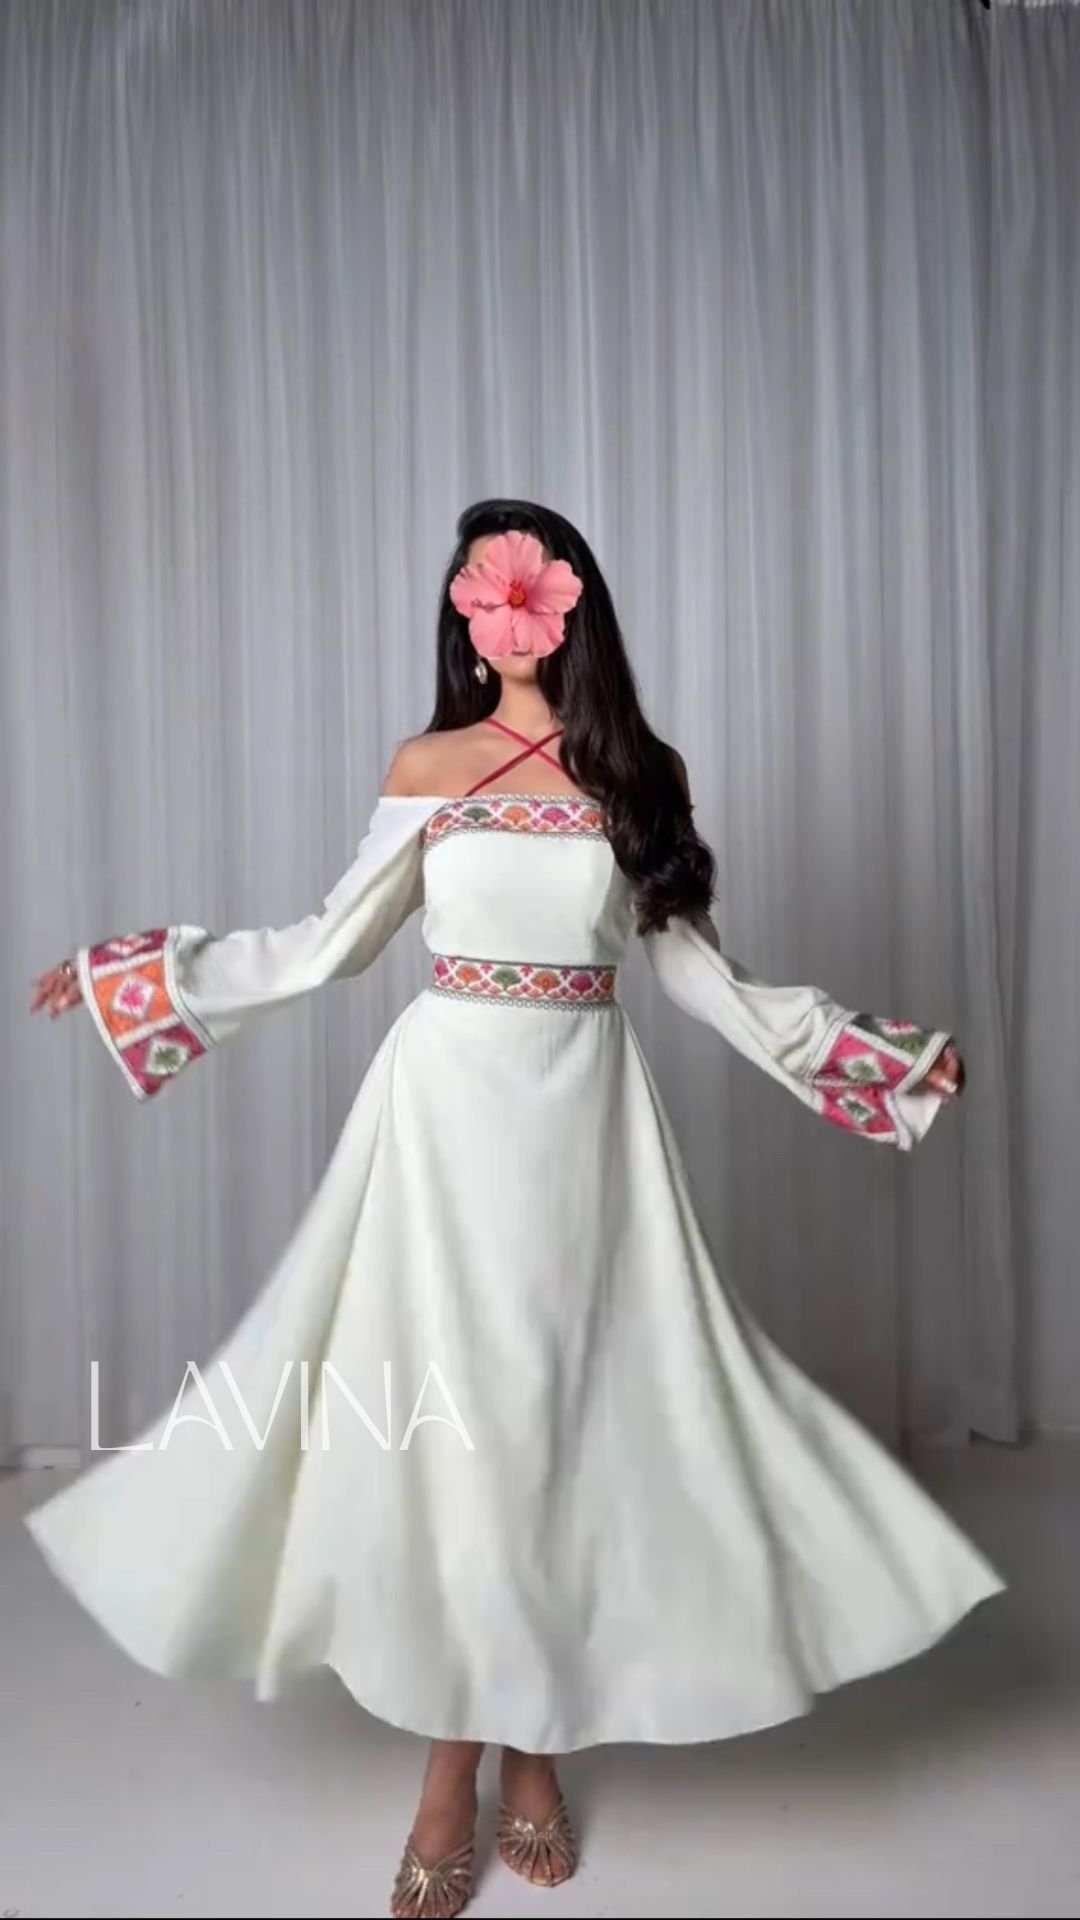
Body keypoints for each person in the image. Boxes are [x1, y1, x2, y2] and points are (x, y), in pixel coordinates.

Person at [29, 499, 1001, 1920]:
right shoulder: (428, 765)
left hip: (584, 1123)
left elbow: (698, 976)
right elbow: (329, 944)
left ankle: (526, 1742)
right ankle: (465, 1768)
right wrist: (144, 978)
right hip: (445, 1122)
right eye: (483, 595)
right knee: (465, 1432)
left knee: (554, 1427)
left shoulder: (640, 774)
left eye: (525, 591)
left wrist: (864, 1056)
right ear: (468, 620)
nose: (505, 617)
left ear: (568, 609)